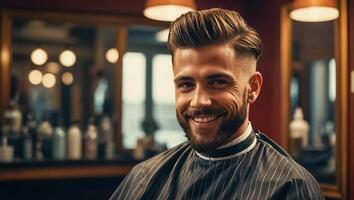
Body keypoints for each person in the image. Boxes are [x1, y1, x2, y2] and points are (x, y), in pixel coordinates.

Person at [110, 8, 324, 200]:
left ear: (253, 87)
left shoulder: (291, 188)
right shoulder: (144, 178)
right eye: (186, 84)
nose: (198, 101)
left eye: (217, 82)